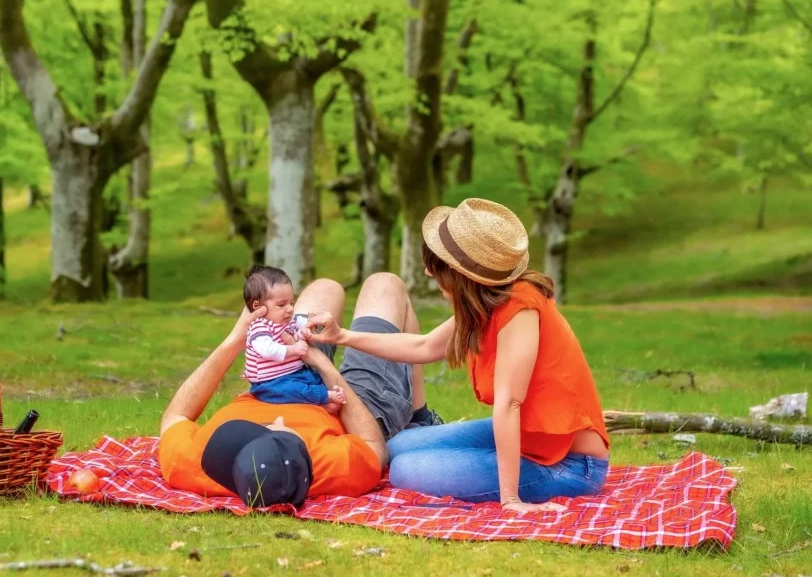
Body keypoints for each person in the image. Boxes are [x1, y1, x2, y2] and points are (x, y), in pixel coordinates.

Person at [302, 198, 610, 513]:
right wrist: (341, 336)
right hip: (530, 440)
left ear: (459, 274)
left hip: (570, 463)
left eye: (436, 265)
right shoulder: (488, 301)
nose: (426, 270)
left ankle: (510, 488)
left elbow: (509, 403)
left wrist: (512, 500)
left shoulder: (520, 308)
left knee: (404, 470)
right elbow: (423, 347)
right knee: (394, 448)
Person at [158, 276, 442, 507]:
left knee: (325, 288)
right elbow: (372, 445)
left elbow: (175, 416)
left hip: (275, 384)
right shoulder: (330, 467)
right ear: (302, 455)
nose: (279, 421)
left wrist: (236, 339)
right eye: (279, 433)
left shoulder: (196, 463)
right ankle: (419, 417)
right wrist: (322, 365)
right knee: (385, 286)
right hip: (348, 408)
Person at [241, 265, 346, 414]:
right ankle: (325, 397)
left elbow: (300, 320)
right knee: (292, 390)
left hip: (295, 372)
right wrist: (294, 349)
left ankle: (327, 396)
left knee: (313, 377)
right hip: (271, 383)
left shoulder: (285, 319)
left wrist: (305, 328)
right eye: (282, 304)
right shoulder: (260, 328)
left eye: (291, 302)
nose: (290, 309)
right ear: (258, 307)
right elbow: (268, 350)